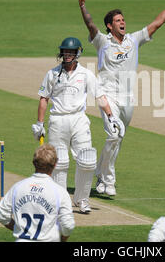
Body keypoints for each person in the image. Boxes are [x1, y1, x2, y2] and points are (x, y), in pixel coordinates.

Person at [78, 0, 165, 196]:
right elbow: (90, 25)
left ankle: (100, 173)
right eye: (117, 20)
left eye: (123, 20)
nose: (122, 22)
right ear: (109, 26)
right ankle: (108, 180)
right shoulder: (102, 42)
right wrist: (82, 6)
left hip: (127, 99)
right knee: (114, 135)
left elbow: (157, 23)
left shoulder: (133, 40)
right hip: (107, 96)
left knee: (118, 139)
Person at [31, 37, 124, 213]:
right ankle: (61, 201)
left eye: (70, 52)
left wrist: (111, 117)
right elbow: (44, 99)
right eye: (65, 51)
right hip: (58, 120)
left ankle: (82, 200)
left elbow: (100, 97)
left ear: (77, 53)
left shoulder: (86, 74)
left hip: (79, 119)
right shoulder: (52, 74)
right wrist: (39, 123)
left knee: (87, 161)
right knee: (59, 163)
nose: (66, 55)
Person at [0, 144, 75, 242]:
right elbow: (68, 225)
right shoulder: (60, 192)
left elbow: (1, 215)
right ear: (55, 164)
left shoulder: (17, 187)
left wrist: (19, 229)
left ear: (34, 163)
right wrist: (62, 239)